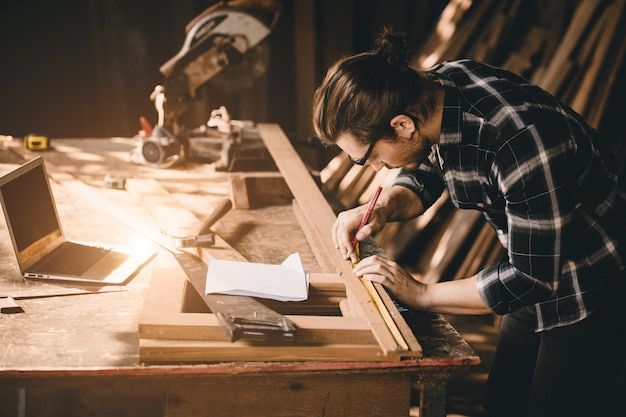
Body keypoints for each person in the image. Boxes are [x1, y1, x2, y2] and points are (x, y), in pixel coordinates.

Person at [312, 28, 625, 417]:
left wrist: (421, 294)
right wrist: (382, 208)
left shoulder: (518, 141)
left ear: (401, 125)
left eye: (368, 157)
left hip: (593, 277)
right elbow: (427, 166)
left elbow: (531, 278)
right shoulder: (434, 95)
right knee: (502, 402)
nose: (376, 169)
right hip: (538, 260)